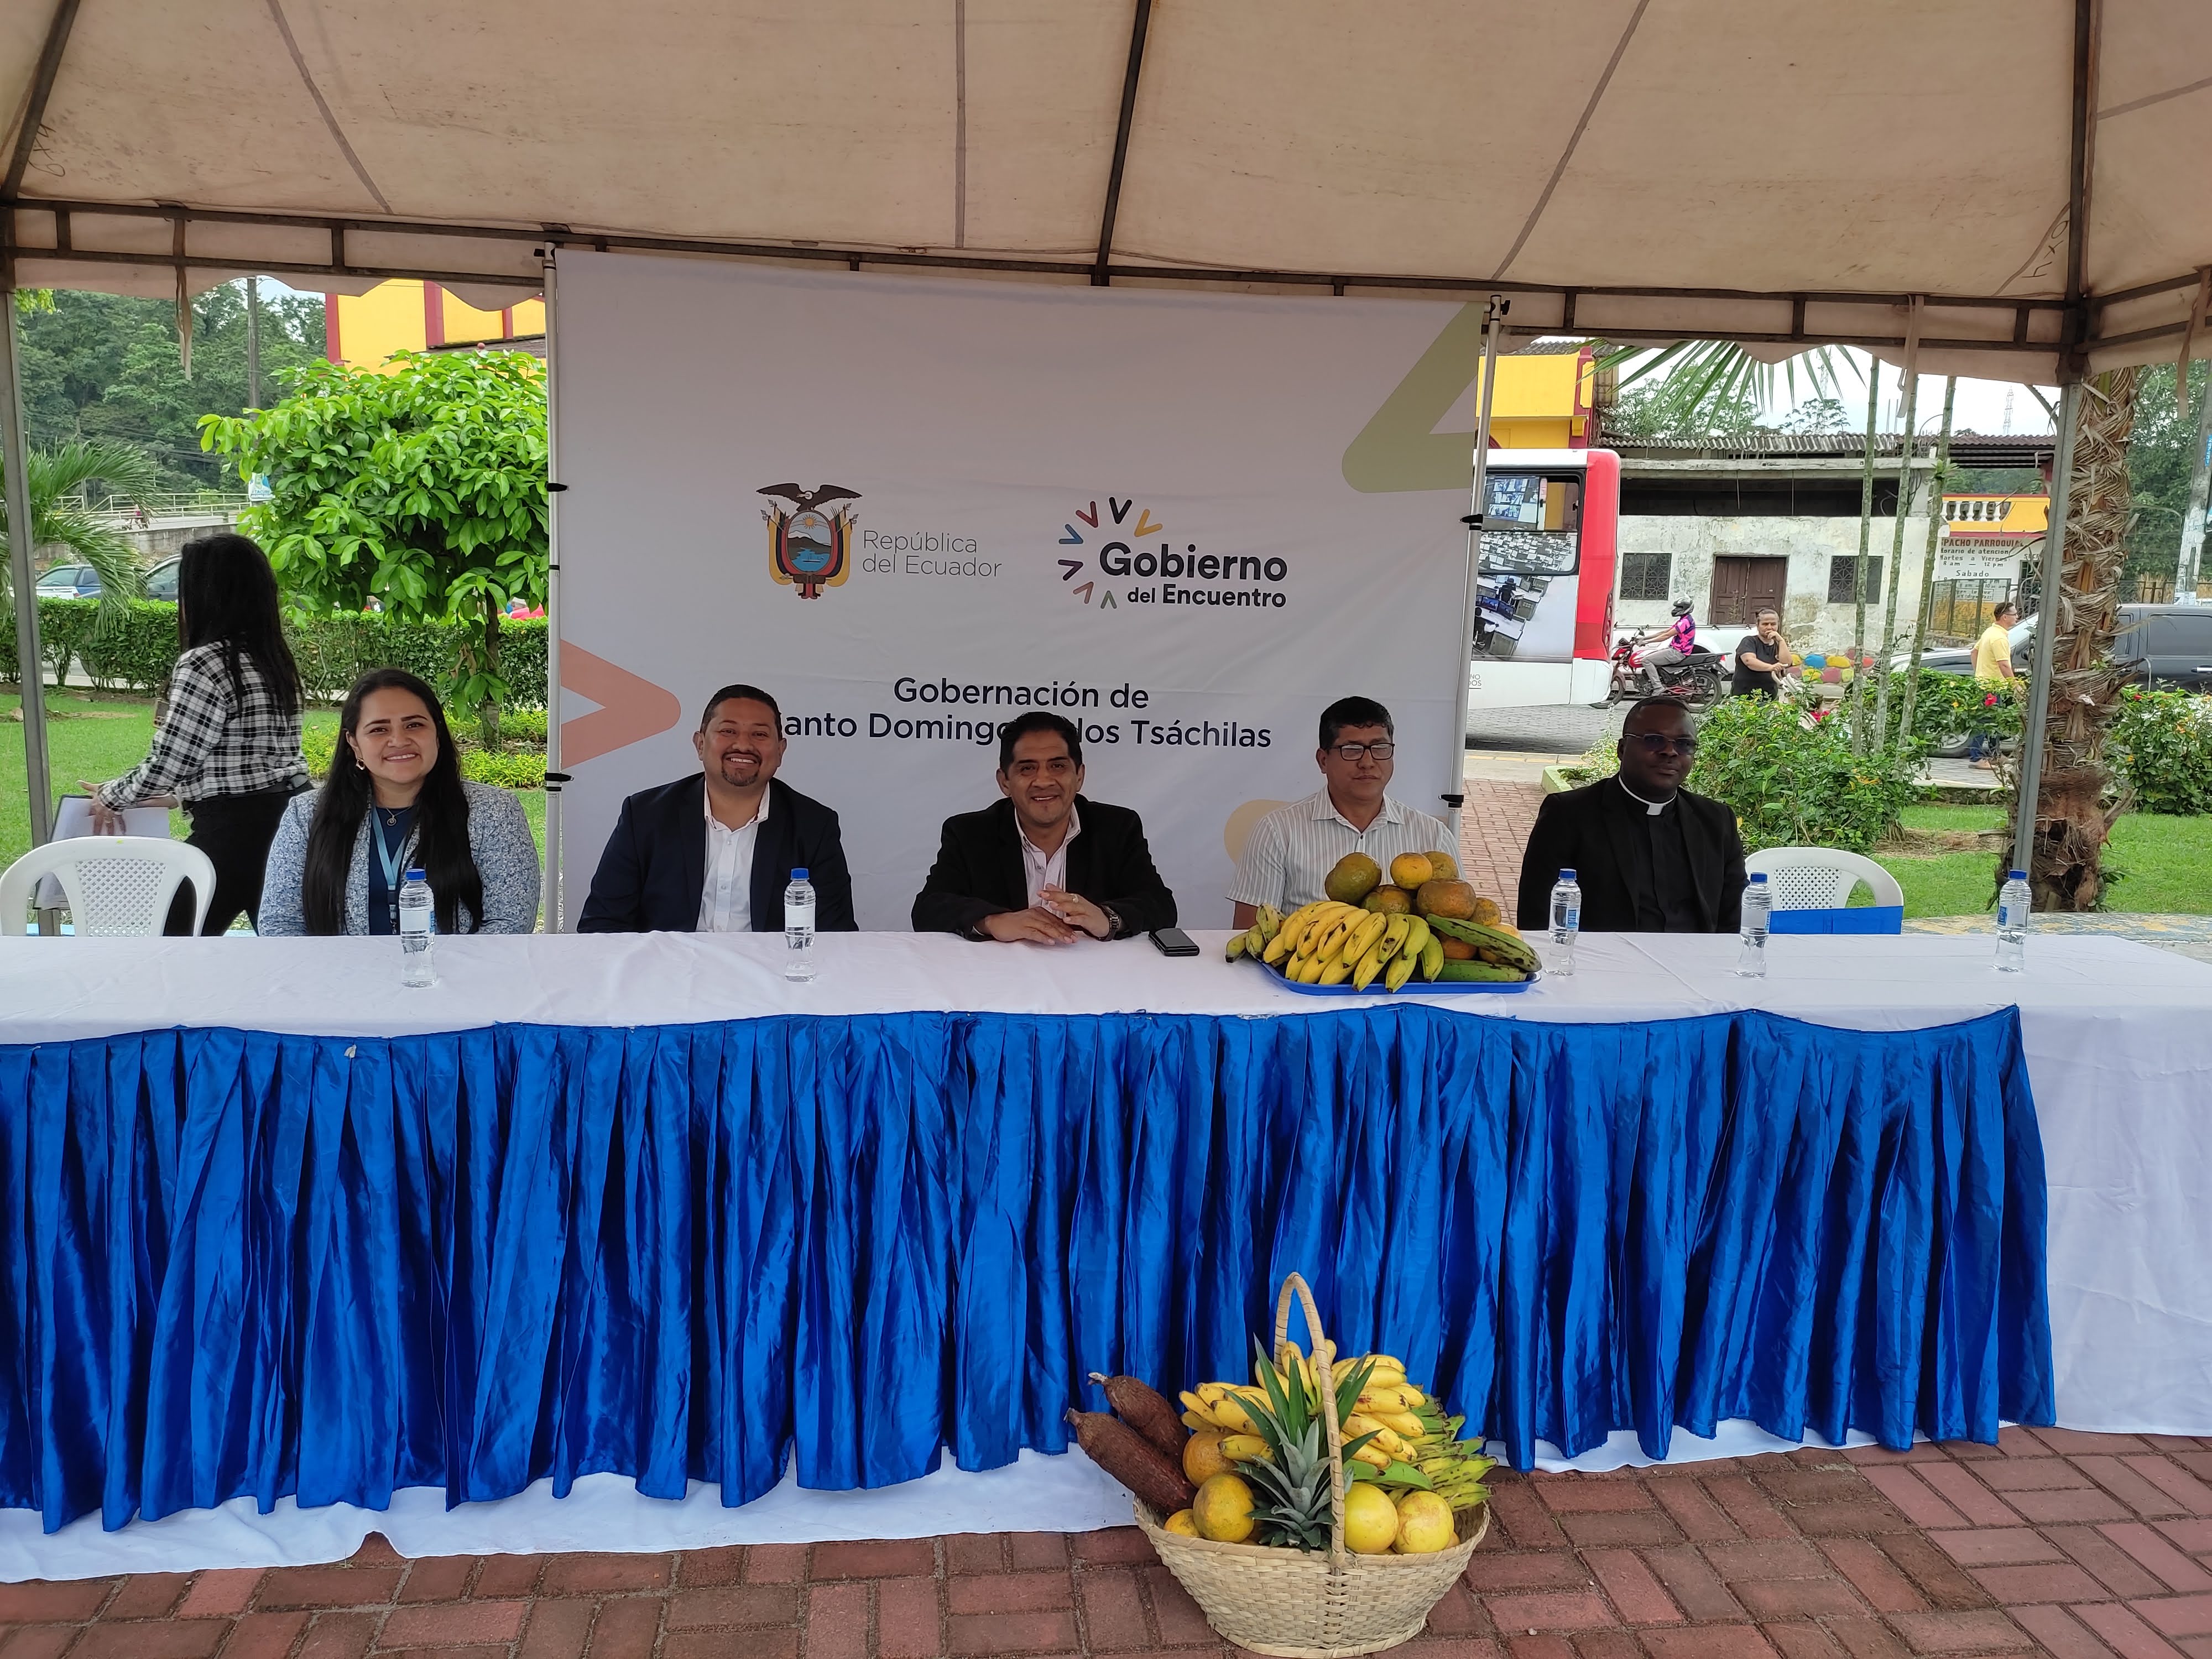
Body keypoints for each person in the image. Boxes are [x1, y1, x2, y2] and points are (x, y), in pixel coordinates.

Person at [85, 532, 308, 934]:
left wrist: (112, 796)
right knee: (288, 947)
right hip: (289, 819)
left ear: (206, 594)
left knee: (170, 945)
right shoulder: (275, 659)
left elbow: (172, 761)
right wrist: (177, 797)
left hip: (232, 833)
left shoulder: (204, 663)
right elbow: (252, 761)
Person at [258, 669, 540, 936]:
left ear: (437, 733)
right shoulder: (306, 815)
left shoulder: (494, 811)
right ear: (354, 743)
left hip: (457, 971)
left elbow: (511, 922)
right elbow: (280, 922)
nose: (399, 740)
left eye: (414, 725)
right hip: (338, 971)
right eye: (379, 730)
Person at [578, 682, 855, 933]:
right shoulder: (644, 816)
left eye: (760, 734)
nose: (743, 745)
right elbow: (603, 924)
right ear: (700, 744)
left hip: (771, 970)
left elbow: (837, 935)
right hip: (667, 968)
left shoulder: (814, 825)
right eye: (728, 731)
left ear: (781, 751)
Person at [913, 711, 1175, 942]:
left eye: (1058, 766)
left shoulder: (1117, 828)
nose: (1043, 781)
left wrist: (1108, 918)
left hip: (1095, 975)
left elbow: (1161, 906)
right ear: (1005, 782)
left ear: (1079, 776)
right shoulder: (969, 833)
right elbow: (928, 909)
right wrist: (992, 922)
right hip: (999, 975)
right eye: (1027, 769)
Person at [1516, 697, 1746, 933]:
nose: (1670, 752)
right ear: (1622, 749)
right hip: (1602, 955)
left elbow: (1736, 917)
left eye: (1684, 744)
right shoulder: (1569, 815)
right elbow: (1537, 916)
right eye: (1654, 740)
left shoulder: (1716, 820)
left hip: (1696, 955)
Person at [1229, 695, 1454, 927]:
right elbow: (1248, 933)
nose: (1367, 762)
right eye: (1352, 750)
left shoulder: (1433, 836)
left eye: (1380, 748)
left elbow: (1457, 923)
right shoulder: (1277, 831)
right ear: (1323, 760)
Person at [1968, 601, 2020, 768]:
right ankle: (1977, 758)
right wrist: (2015, 685)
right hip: (1992, 687)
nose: (2017, 617)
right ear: (2005, 617)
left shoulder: (1990, 632)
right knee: (1984, 722)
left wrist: (1979, 673)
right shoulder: (1999, 638)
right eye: (2014, 614)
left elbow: (1974, 652)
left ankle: (1995, 755)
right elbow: (2004, 665)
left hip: (1987, 684)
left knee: (1995, 723)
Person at [1637, 599, 1699, 695]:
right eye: (1676, 607)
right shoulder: (1684, 620)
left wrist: (1647, 642)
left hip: (1677, 652)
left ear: (1686, 609)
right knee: (1651, 657)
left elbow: (1667, 636)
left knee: (1646, 660)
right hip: (1674, 650)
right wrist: (1645, 638)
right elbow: (1665, 632)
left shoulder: (1685, 622)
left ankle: (1658, 687)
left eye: (1679, 607)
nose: (1676, 609)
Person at [1732, 608, 1793, 699]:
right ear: (1758, 626)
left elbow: (1786, 663)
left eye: (1773, 624)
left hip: (1769, 697)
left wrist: (1781, 641)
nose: (1769, 627)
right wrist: (1771, 667)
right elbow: (1749, 661)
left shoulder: (1778, 645)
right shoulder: (1749, 641)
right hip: (1745, 698)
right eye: (1765, 624)